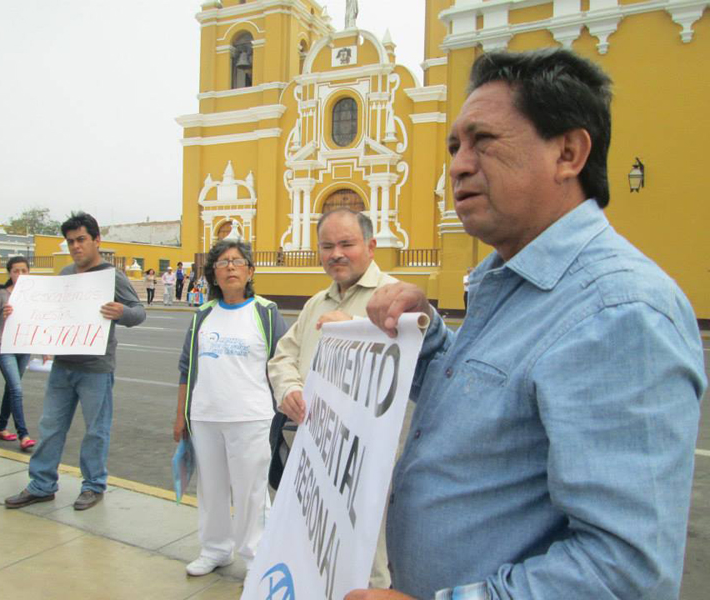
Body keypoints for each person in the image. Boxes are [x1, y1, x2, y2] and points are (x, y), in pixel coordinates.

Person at [347, 49, 707, 600]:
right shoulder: (511, 280)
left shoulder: (620, 313)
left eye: (483, 141)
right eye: (453, 146)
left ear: (568, 152)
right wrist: (424, 336)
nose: (458, 165)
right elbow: (496, 406)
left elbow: (623, 574)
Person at [267, 207, 398, 588]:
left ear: (371, 247)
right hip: (314, 448)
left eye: (346, 244)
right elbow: (283, 355)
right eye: (327, 246)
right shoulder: (317, 303)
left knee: (367, 554)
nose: (336, 253)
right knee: (316, 543)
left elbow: (406, 357)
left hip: (362, 455)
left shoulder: (392, 295)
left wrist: (357, 329)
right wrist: (288, 387)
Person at [5, 212, 146, 511]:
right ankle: (42, 484)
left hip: (95, 369)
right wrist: (17, 315)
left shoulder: (112, 276)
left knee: (96, 430)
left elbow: (139, 312)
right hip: (62, 366)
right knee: (50, 427)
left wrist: (122, 312)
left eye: (81, 240)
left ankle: (93, 485)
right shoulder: (66, 275)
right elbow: (52, 314)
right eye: (70, 242)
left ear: (97, 240)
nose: (76, 247)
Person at [174, 239, 287, 576]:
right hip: (205, 416)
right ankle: (215, 549)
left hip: (252, 417)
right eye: (223, 263)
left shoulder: (266, 313)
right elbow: (185, 366)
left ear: (250, 271)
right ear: (213, 274)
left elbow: (283, 363)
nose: (231, 267)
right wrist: (180, 415)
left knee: (251, 491)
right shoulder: (202, 316)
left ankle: (256, 558)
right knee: (211, 487)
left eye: (238, 261)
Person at [0, 256, 36, 451]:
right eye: (16, 271)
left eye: (24, 270)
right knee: (17, 389)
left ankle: (1, 427)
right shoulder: (2, 295)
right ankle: (24, 434)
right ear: (10, 273)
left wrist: (44, 349)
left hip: (24, 346)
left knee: (12, 388)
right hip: (4, 346)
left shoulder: (34, 295)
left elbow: (39, 321)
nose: (20, 275)